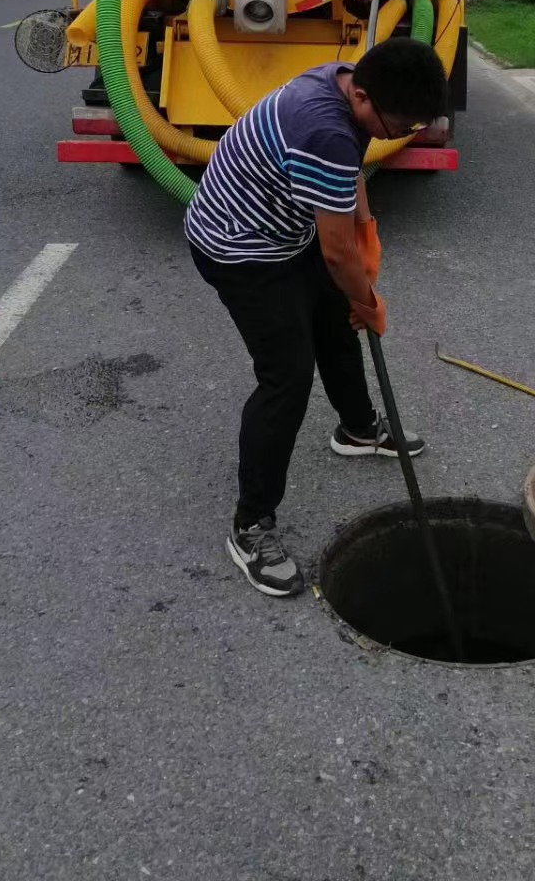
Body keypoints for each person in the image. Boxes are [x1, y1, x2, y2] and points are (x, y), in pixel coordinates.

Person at [186, 36, 449, 597]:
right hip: (238, 246)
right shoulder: (324, 128)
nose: (396, 137)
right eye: (396, 125)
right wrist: (370, 301)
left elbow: (350, 169)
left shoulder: (344, 79)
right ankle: (251, 525)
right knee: (286, 376)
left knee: (334, 320)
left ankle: (356, 428)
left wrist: (366, 227)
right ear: (361, 94)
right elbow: (335, 253)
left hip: (283, 226)